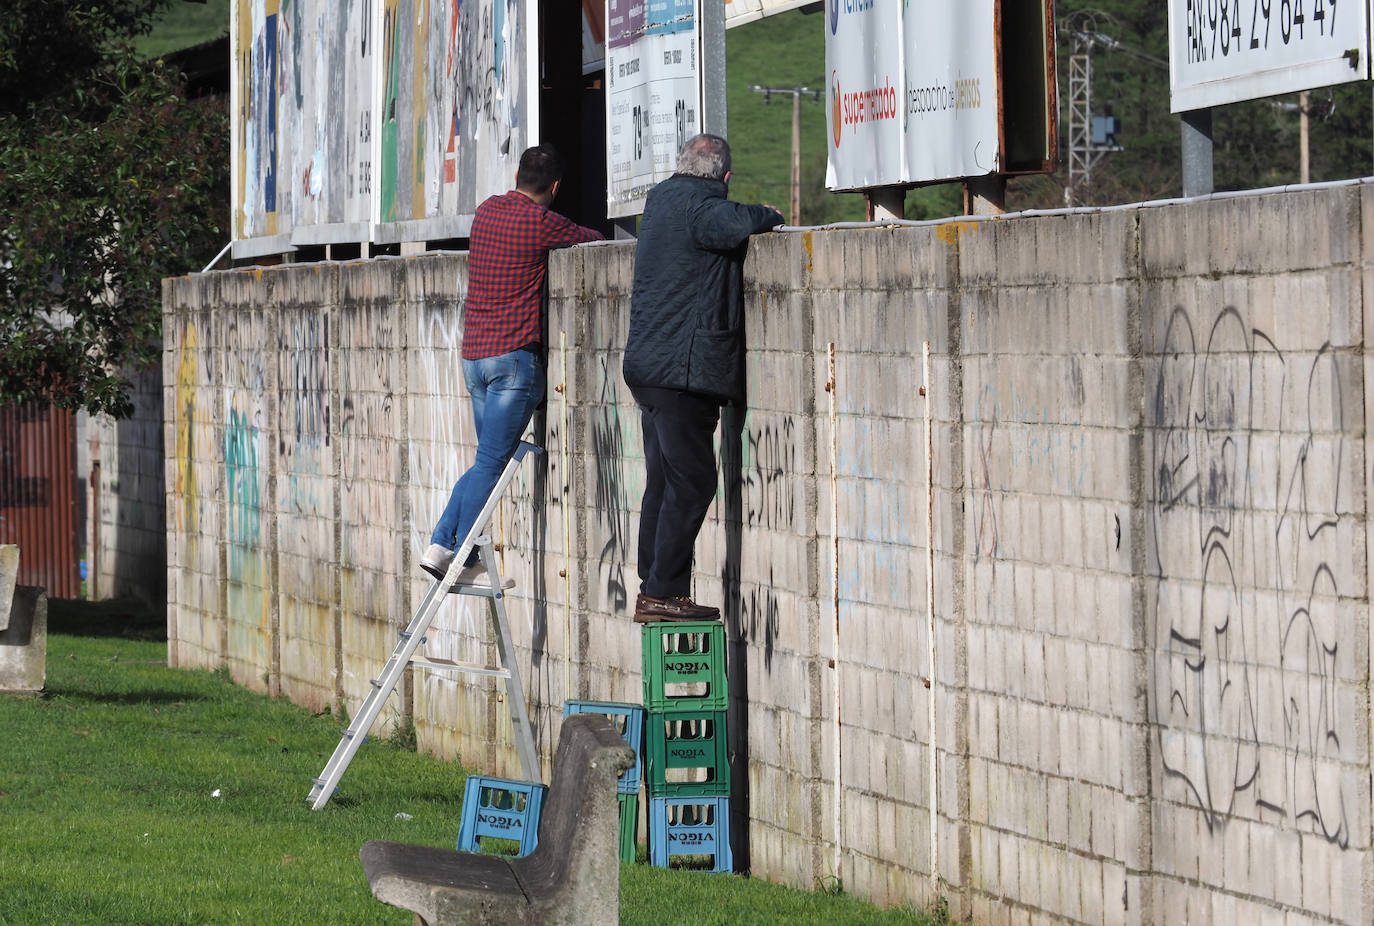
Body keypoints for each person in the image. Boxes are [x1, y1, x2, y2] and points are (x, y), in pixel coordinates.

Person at [422, 144, 604, 584]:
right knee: (491, 463)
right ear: (555, 187)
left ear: (516, 175)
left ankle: (442, 544)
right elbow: (595, 241)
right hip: (513, 363)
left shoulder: (486, 212)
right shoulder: (541, 222)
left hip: (475, 358)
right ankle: (464, 558)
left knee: (489, 460)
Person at [622, 134, 784, 622]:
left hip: (649, 368)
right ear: (725, 178)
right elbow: (733, 224)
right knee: (693, 482)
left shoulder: (661, 200)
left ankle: (652, 579)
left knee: (665, 478)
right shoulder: (701, 206)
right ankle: (661, 592)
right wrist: (769, 213)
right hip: (680, 373)